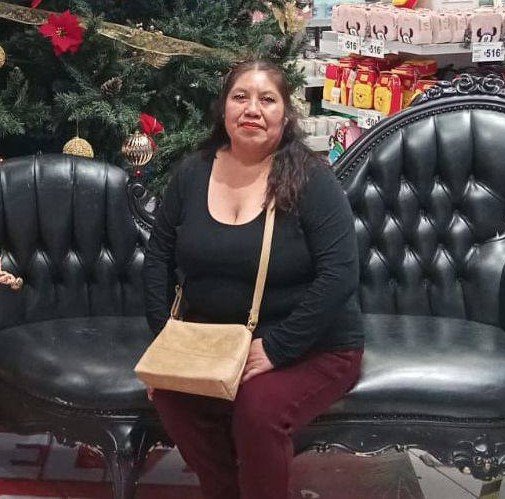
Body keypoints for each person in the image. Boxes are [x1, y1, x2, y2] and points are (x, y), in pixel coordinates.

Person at [143, 59, 364, 499]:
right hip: (215, 343)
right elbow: (158, 257)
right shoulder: (192, 174)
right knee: (171, 395)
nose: (252, 109)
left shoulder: (311, 179)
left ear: (286, 113)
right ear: (223, 108)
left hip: (312, 345)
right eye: (240, 97)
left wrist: (278, 347)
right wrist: (165, 345)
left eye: (268, 99)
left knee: (258, 409)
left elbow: (340, 273)